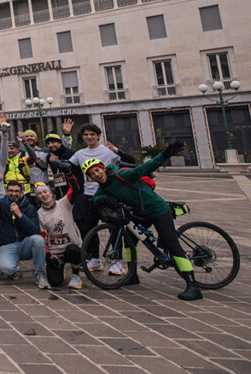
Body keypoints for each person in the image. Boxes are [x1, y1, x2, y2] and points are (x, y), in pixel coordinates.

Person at [86, 141, 201, 300]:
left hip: (157, 209)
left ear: (103, 168)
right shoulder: (103, 187)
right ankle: (132, 275)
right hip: (141, 214)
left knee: (172, 245)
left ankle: (192, 285)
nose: (96, 174)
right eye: (92, 174)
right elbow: (97, 197)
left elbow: (145, 168)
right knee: (130, 242)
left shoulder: (121, 175)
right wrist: (106, 197)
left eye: (97, 170)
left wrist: (164, 155)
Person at [69, 123, 127, 271]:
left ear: (98, 136)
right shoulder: (80, 154)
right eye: (86, 135)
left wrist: (117, 150)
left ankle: (116, 260)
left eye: (92, 134)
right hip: (89, 196)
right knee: (88, 228)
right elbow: (68, 163)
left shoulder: (107, 152)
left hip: (107, 194)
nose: (89, 137)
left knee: (113, 227)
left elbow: (129, 161)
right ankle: (94, 259)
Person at [0, 175, 48, 289]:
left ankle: (40, 274)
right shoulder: (0, 204)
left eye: (17, 191)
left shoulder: (30, 208)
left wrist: (20, 215)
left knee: (38, 240)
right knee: (7, 269)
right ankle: (12, 270)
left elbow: (34, 230)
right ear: (6, 192)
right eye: (11, 191)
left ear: (22, 193)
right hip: (7, 245)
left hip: (24, 244)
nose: (14, 194)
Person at [34, 177, 84, 290]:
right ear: (38, 198)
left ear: (51, 193)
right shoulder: (39, 214)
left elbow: (75, 189)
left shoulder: (64, 203)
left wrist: (69, 174)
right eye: (40, 194)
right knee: (55, 282)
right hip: (55, 252)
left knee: (74, 251)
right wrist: (48, 255)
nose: (43, 195)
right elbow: (42, 236)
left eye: (45, 192)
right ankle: (60, 270)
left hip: (70, 246)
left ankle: (75, 275)